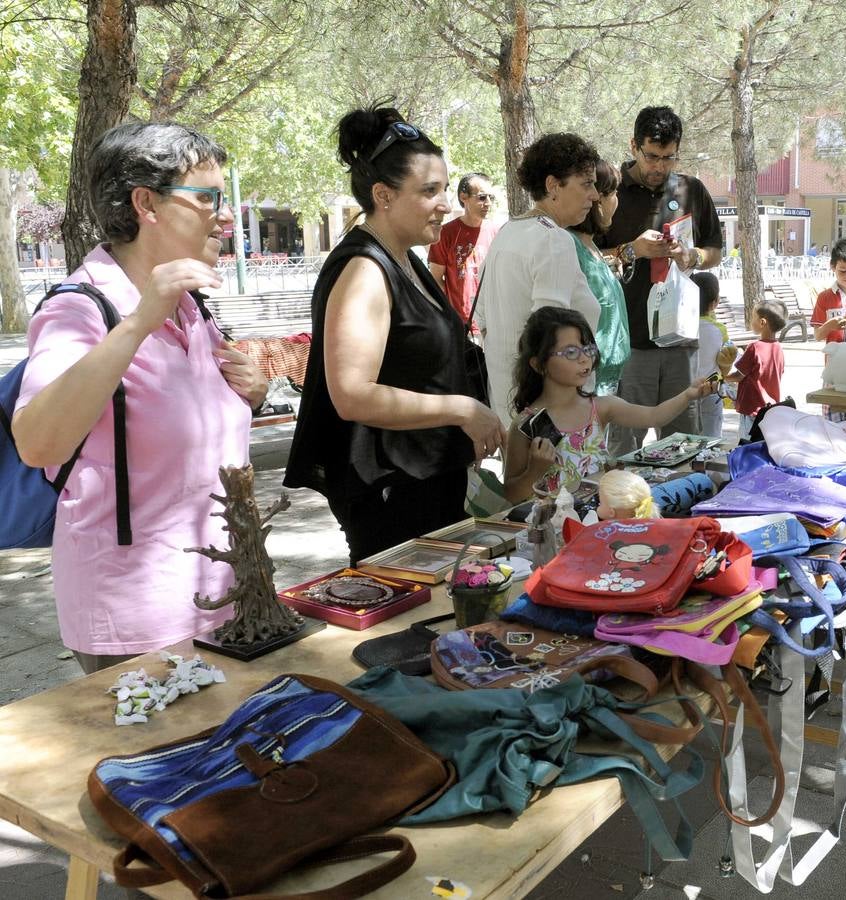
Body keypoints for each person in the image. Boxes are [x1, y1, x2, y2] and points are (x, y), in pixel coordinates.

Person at [11, 122, 268, 672]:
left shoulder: (191, 304)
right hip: (139, 616)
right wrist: (136, 323)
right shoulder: (79, 310)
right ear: (146, 203)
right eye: (207, 198)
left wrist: (252, 394)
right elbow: (37, 442)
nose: (225, 215)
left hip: (227, 592)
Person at [284, 104, 503, 563]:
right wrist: (463, 409)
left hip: (426, 486)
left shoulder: (405, 259)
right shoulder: (365, 269)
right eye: (430, 191)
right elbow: (351, 394)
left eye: (444, 188)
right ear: (383, 195)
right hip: (391, 494)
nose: (445, 203)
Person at [601, 106, 723, 454]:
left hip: (680, 341)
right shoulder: (609, 191)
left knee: (684, 445)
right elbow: (587, 256)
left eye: (668, 158)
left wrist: (694, 256)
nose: (659, 167)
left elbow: (715, 250)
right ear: (633, 146)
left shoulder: (692, 190)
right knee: (625, 450)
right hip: (630, 342)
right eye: (651, 156)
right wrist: (632, 250)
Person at [502, 307, 713, 501]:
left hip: (602, 520)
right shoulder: (525, 424)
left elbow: (654, 416)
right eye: (570, 352)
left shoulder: (599, 408)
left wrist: (688, 395)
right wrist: (535, 471)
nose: (584, 359)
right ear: (538, 364)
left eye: (587, 349)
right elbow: (511, 495)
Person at [476, 133, 603, 424]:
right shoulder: (552, 239)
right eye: (586, 184)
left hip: (511, 406)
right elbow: (551, 337)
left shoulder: (508, 232)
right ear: (552, 185)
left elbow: (483, 321)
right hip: (551, 419)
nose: (594, 195)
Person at [566, 159, 630, 395]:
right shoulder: (570, 244)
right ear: (597, 199)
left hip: (606, 379)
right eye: (613, 192)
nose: (617, 201)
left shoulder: (590, 245)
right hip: (587, 383)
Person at [427, 171, 499, 328]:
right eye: (481, 197)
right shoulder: (445, 233)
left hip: (492, 323)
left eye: (490, 197)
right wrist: (448, 314)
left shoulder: (497, 232)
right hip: (459, 325)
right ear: (463, 197)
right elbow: (436, 278)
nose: (488, 203)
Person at [724, 300, 787, 439]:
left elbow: (738, 376)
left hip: (751, 408)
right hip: (769, 408)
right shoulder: (778, 348)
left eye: (753, 317)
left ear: (762, 322)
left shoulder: (754, 347)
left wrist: (723, 377)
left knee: (747, 444)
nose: (751, 321)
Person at [692, 271, 736, 438]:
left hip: (683, 393)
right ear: (716, 302)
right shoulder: (720, 330)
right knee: (711, 440)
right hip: (711, 391)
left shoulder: (680, 329)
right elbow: (725, 363)